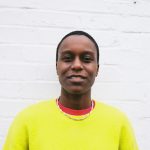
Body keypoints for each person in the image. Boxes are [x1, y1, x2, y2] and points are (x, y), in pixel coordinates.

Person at [3, 31, 138, 150]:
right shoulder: (27, 120)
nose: (77, 65)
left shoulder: (118, 122)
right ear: (57, 67)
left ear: (97, 68)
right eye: (67, 58)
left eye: (86, 59)